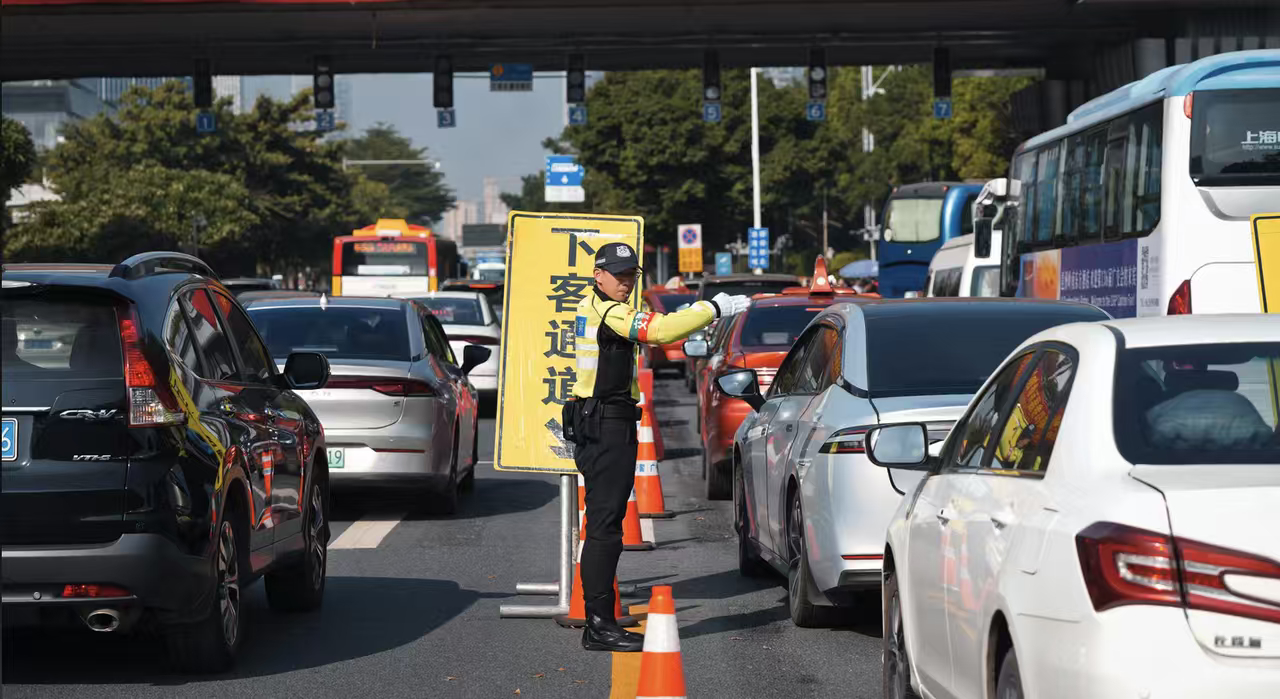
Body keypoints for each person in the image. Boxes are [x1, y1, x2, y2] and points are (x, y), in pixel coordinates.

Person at [566, 242, 749, 652]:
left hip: (598, 420)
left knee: (604, 525)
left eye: (631, 274)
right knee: (605, 528)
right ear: (598, 275)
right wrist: (711, 309)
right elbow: (661, 330)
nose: (626, 282)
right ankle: (599, 626)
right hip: (606, 423)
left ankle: (600, 621)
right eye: (618, 274)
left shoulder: (591, 306)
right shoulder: (611, 313)